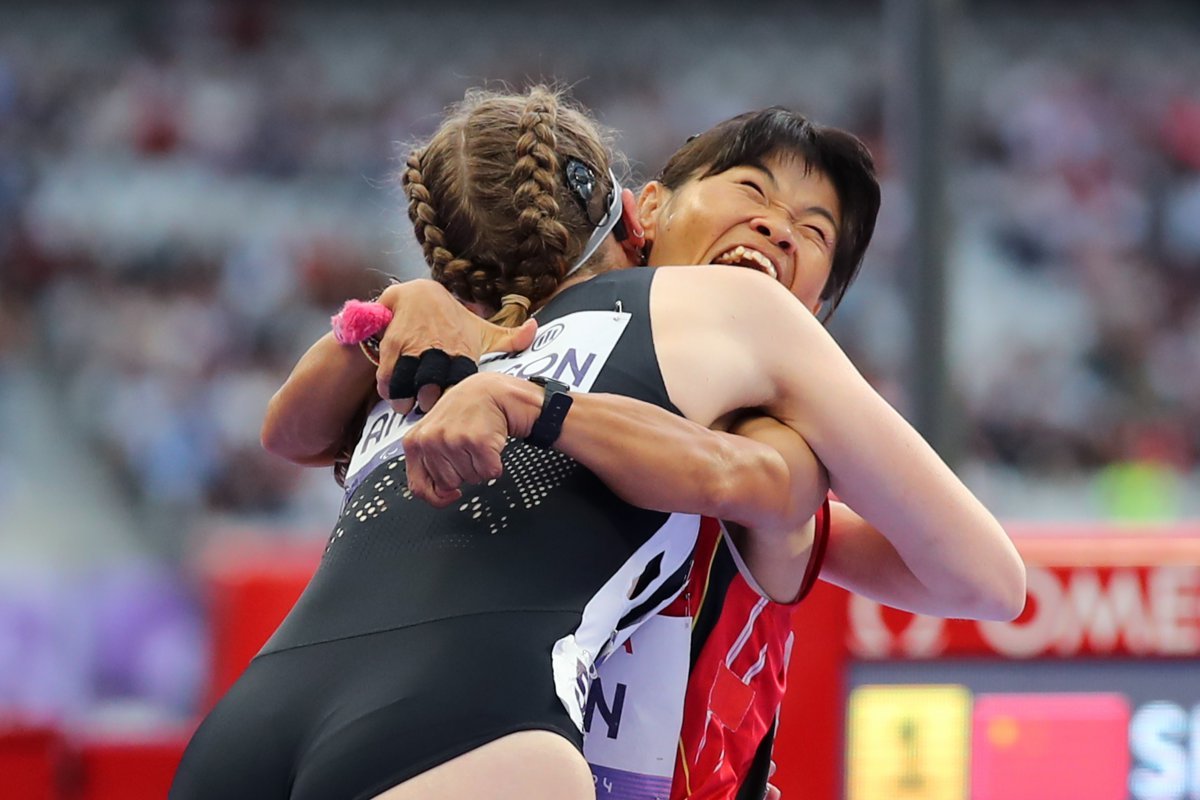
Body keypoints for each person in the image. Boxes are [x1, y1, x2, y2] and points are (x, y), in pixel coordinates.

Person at [173, 85, 1023, 800]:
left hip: (262, 722)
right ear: (642, 209)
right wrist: (425, 325)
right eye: (752, 192)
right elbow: (985, 578)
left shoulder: (468, 341)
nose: (778, 229)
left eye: (815, 230)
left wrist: (415, 326)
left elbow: (777, 490)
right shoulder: (490, 334)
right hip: (480, 726)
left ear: (820, 314)